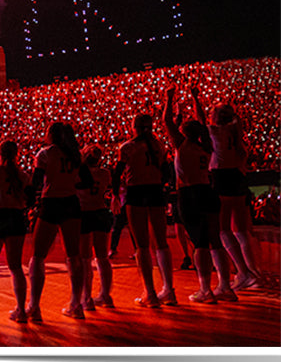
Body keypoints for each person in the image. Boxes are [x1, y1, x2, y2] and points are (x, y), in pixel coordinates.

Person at [164, 86, 236, 302]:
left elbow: (167, 121)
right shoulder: (207, 147)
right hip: (208, 192)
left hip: (190, 194)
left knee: (200, 244)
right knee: (216, 241)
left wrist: (169, 98)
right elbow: (203, 124)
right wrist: (195, 98)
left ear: (185, 133)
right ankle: (225, 287)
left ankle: (205, 290)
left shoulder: (182, 145)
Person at [193, 90, 263, 289]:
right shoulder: (236, 134)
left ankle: (243, 272)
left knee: (223, 230)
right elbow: (236, 121)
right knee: (241, 231)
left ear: (216, 117)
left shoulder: (216, 132)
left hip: (221, 178)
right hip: (238, 178)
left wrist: (196, 98)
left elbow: (200, 121)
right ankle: (254, 272)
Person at [28, 122, 92, 321]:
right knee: (74, 255)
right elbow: (88, 181)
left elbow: (36, 182)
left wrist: (29, 201)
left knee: (38, 255)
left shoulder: (45, 154)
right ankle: (76, 304)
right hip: (71, 202)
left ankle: (34, 307)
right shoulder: (76, 154)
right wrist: (71, 183)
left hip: (51, 202)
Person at [113, 113, 175, 308]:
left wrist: (115, 194)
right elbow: (166, 172)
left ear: (134, 128)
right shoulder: (159, 146)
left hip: (136, 191)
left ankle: (150, 292)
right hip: (155, 190)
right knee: (161, 243)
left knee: (142, 245)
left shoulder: (127, 147)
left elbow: (117, 173)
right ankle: (169, 290)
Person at [0, 140, 32, 324]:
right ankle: (21, 310)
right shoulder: (23, 176)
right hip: (16, 217)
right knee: (16, 267)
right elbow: (29, 198)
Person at [76, 145, 115, 310]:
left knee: (85, 258)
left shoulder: (79, 173)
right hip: (100, 212)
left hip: (84, 213)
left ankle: (86, 298)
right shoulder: (105, 173)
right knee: (102, 257)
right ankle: (106, 295)